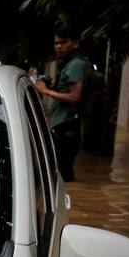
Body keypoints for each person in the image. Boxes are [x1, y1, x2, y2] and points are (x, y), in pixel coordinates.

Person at [34, 27, 89, 182]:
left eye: (63, 42)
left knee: (61, 175)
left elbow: (74, 97)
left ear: (76, 43)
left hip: (67, 126)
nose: (58, 46)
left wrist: (46, 91)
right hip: (64, 124)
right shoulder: (71, 63)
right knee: (59, 172)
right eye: (56, 43)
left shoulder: (76, 64)